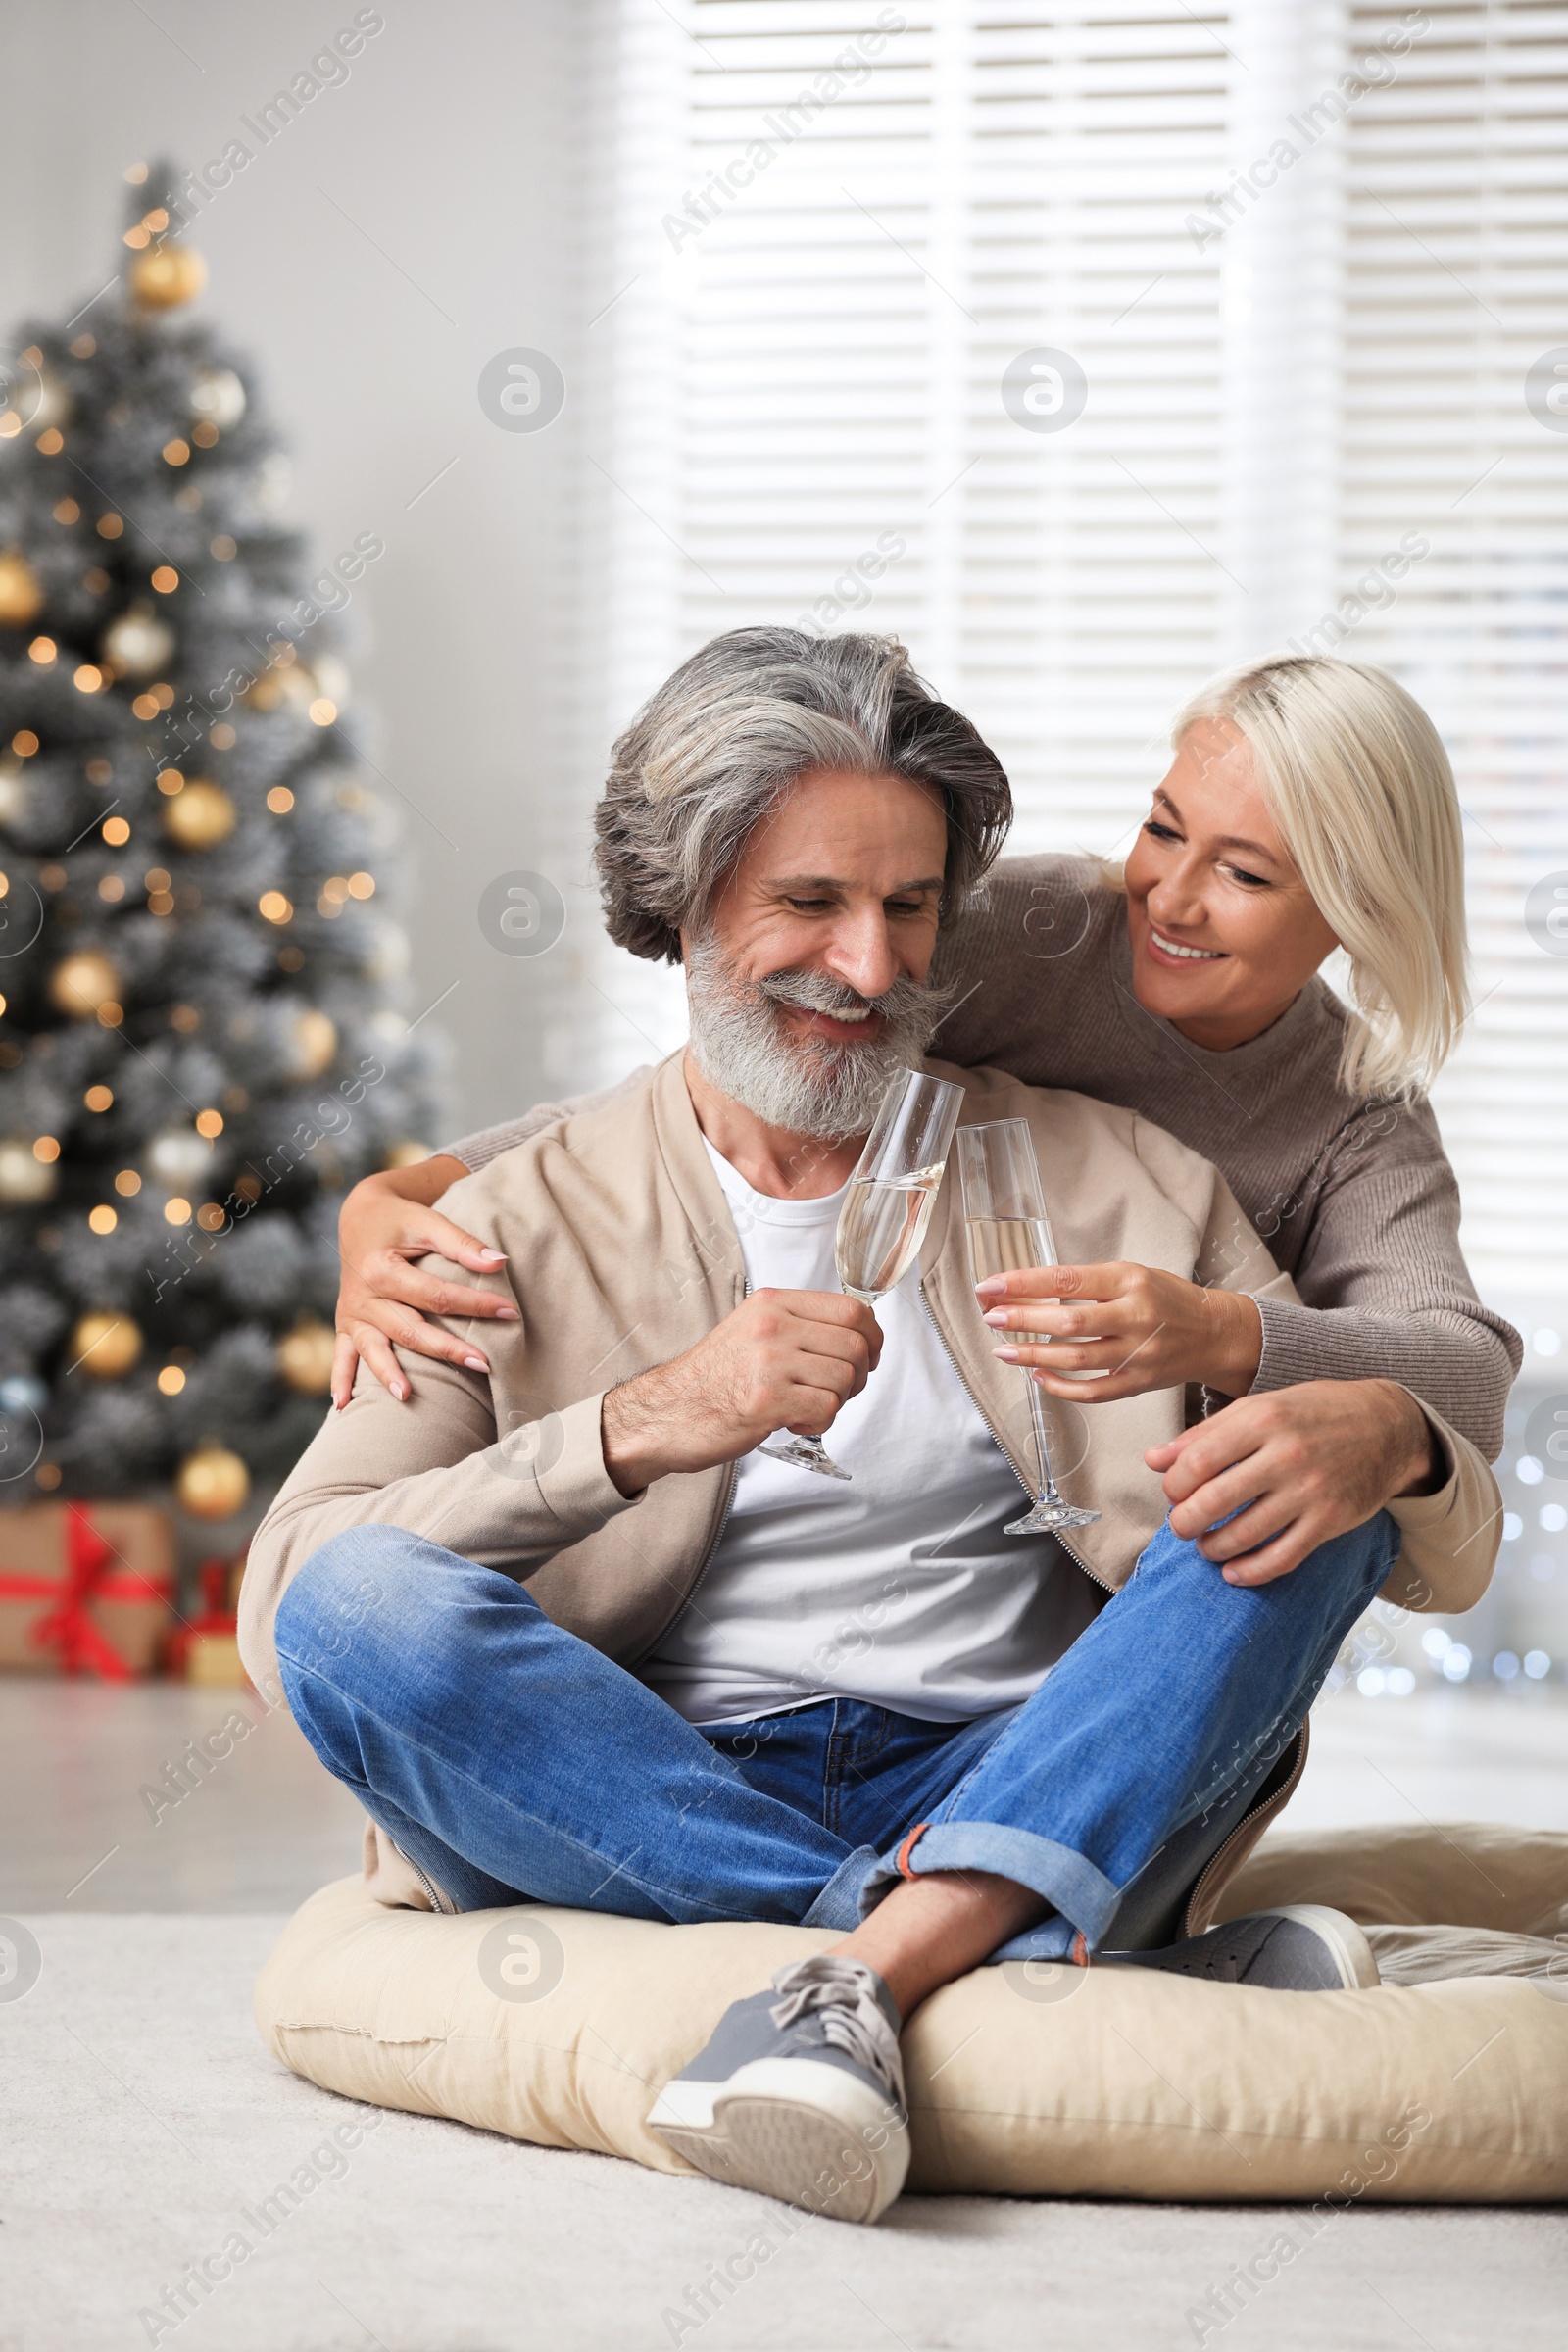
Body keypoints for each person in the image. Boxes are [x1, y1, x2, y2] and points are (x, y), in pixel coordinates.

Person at [241, 630, 1500, 2227]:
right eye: (813, 905)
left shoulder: (1151, 1178)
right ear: (682, 904)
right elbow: (294, 1597)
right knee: (358, 1607)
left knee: (1332, 1467)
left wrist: (1278, 1368)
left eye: (912, 912)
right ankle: (1003, 1929)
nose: (873, 966)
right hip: (651, 1775)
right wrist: (620, 1415)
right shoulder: (513, 1222)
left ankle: (876, 1957)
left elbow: (1449, 1378)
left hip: (1025, 1747)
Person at [331, 653, 1518, 1462]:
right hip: (891, 1411)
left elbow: (1463, 1374)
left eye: (1247, 874)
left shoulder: (1356, 1112)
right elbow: (732, 1078)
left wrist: (1222, 1333)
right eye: (1163, 827)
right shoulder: (1027, 930)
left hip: (1109, 1498)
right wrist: (403, 1192)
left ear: (1360, 906)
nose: (1172, 893)